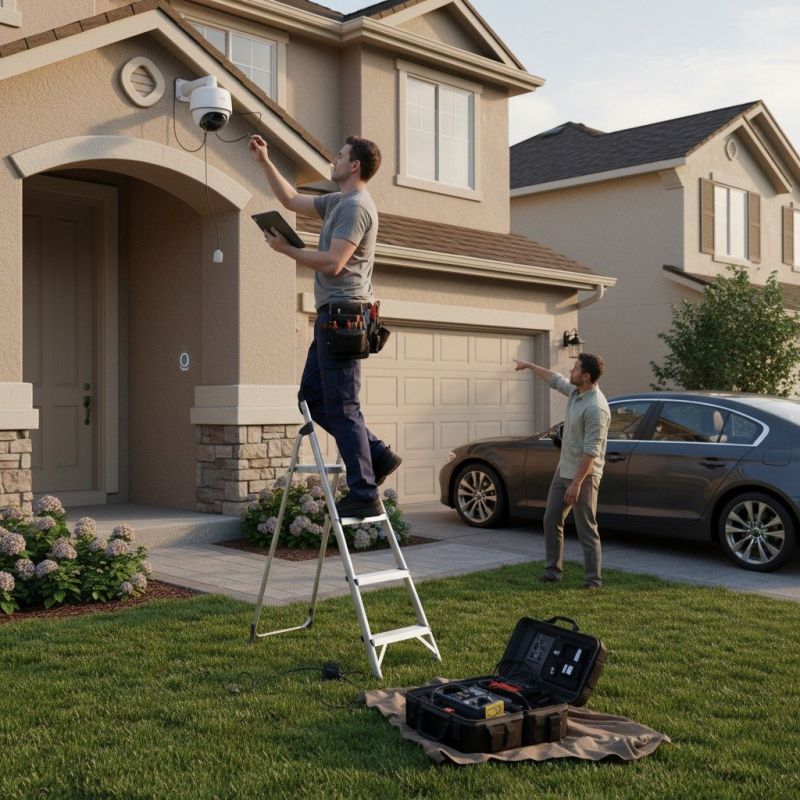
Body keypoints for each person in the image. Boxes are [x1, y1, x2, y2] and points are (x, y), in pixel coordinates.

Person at [249, 133, 401, 519]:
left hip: (345, 316)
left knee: (344, 407)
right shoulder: (336, 201)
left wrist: (287, 251)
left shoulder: (356, 207)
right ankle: (377, 455)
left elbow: (334, 263)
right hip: (330, 315)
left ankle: (364, 491)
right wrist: (266, 160)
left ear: (355, 166)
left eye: (339, 155)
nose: (332, 160)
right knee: (313, 397)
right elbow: (289, 200)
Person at [513, 353, 610, 589]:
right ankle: (552, 572)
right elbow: (555, 379)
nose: (571, 371)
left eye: (575, 369)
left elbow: (591, 452)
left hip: (584, 476)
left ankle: (593, 581)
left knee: (586, 527)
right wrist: (529, 365)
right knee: (551, 519)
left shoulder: (596, 408)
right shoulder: (577, 393)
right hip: (564, 470)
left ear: (586, 376)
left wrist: (577, 484)